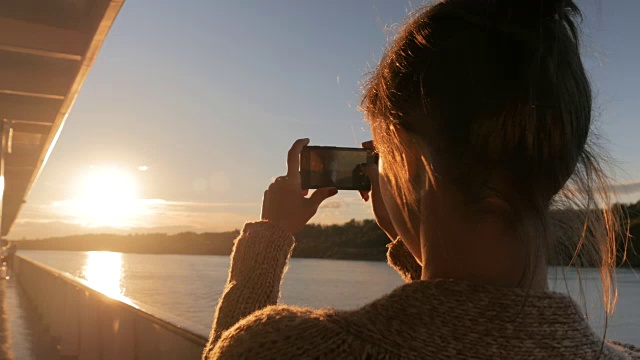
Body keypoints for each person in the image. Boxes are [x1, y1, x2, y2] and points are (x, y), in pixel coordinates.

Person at [203, 0, 640, 358]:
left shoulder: (285, 349)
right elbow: (467, 331)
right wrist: (416, 231)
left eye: (381, 154)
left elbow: (228, 348)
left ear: (411, 163)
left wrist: (270, 236)